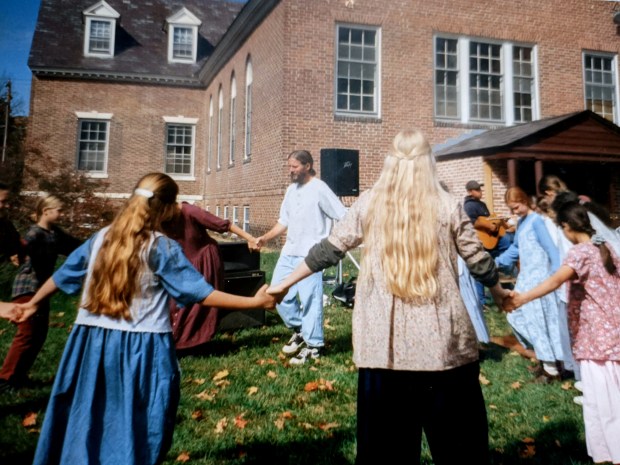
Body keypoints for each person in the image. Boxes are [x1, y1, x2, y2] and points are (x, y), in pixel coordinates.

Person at [268, 130, 509, 465]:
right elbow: (478, 258)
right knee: (460, 452)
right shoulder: (447, 204)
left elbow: (328, 250)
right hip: (444, 350)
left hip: (384, 351)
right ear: (428, 162)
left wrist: (283, 284)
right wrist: (499, 292)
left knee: (385, 455)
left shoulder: (370, 202)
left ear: (391, 162)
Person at [7, 173, 276, 465]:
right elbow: (201, 293)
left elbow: (63, 275)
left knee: (89, 416)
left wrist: (33, 304)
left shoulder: (102, 237)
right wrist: (254, 302)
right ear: (168, 207)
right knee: (143, 423)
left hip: (89, 345)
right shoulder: (161, 247)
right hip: (143, 347)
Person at [505, 202, 620, 465]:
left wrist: (522, 298)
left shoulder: (581, 252)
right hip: (615, 336)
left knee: (604, 402)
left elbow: (555, 280)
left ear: (567, 227)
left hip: (596, 341)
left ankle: (615, 451)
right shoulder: (611, 247)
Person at [256, 150, 346, 365]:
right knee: (278, 296)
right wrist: (265, 238)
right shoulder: (291, 190)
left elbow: (343, 216)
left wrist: (330, 244)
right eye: (289, 167)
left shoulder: (320, 189)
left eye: (294, 167)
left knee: (310, 300)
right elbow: (283, 221)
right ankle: (299, 330)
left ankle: (314, 346)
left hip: (310, 257)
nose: (291, 171)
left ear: (307, 165)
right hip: (288, 253)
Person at [0, 195, 82, 393]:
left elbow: (77, 246)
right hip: (27, 287)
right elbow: (22, 247)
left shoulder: (56, 234)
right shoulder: (35, 233)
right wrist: (17, 254)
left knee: (39, 335)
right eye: (59, 211)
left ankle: (19, 376)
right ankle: (5, 379)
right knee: (27, 333)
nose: (62, 214)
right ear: (46, 211)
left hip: (42, 289)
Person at [163, 202, 259, 351]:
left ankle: (194, 341)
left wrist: (250, 238)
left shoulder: (190, 211)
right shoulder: (157, 216)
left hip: (203, 259)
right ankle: (177, 338)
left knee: (199, 302)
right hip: (182, 261)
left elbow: (224, 225)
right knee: (175, 301)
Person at [495, 187, 565, 381]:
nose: (514, 212)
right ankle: (546, 359)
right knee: (517, 317)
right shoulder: (523, 223)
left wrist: (556, 279)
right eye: (511, 209)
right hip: (526, 278)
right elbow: (516, 248)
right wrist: (496, 262)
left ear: (524, 200)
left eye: (516, 207)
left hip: (540, 280)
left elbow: (552, 250)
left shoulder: (538, 222)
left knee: (539, 323)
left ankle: (551, 369)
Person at [463, 180, 512, 305]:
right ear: (470, 192)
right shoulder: (468, 206)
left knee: (507, 245)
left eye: (480, 189)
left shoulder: (482, 204)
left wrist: (498, 221)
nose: (480, 191)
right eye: (477, 189)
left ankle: (504, 279)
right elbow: (473, 222)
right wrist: (488, 225)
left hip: (492, 239)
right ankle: (482, 301)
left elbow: (489, 219)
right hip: (481, 241)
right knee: (480, 268)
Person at [0, 182, 23, 265]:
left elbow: (18, 245)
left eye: (7, 201)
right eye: (3, 201)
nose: (7, 206)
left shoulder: (6, 224)